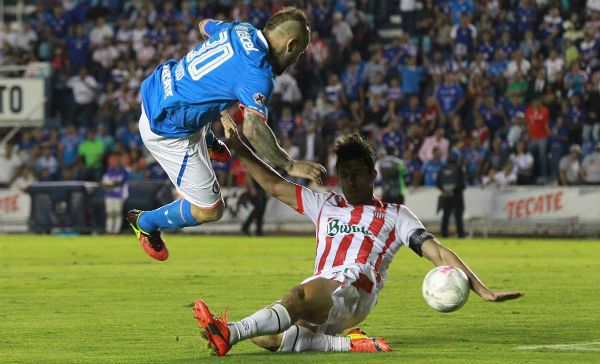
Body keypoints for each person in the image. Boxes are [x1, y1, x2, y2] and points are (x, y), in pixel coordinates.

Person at [191, 112, 522, 356]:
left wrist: (482, 289)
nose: (350, 181)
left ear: (372, 174)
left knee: (295, 298)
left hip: (354, 287)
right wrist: (239, 147)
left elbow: (438, 253)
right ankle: (347, 345)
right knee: (266, 337)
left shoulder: (395, 215)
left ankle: (228, 334)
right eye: (344, 175)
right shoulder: (325, 204)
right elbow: (276, 185)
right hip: (327, 284)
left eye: (357, 174)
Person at [126, 8, 326, 261]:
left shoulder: (240, 29)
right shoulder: (258, 73)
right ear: (291, 44)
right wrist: (288, 164)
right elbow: (252, 128)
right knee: (210, 210)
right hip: (169, 129)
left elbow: (203, 24)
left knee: (215, 97)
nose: (297, 59)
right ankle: (145, 222)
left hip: (159, 85)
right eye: (300, 53)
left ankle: (209, 139)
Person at [436, 154, 466, 238]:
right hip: (457, 196)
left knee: (445, 216)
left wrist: (445, 191)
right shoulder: (459, 169)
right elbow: (463, 185)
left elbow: (438, 183)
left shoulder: (442, 169)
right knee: (458, 216)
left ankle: (444, 234)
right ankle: (460, 234)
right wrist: (454, 191)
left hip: (446, 196)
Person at [101, 152, 130, 234]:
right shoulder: (110, 170)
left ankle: (116, 231)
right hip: (109, 194)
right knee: (109, 213)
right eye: (116, 160)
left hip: (119, 195)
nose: (117, 162)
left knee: (117, 213)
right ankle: (109, 230)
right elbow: (104, 181)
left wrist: (112, 184)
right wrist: (111, 184)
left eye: (118, 160)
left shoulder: (124, 171)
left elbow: (121, 182)